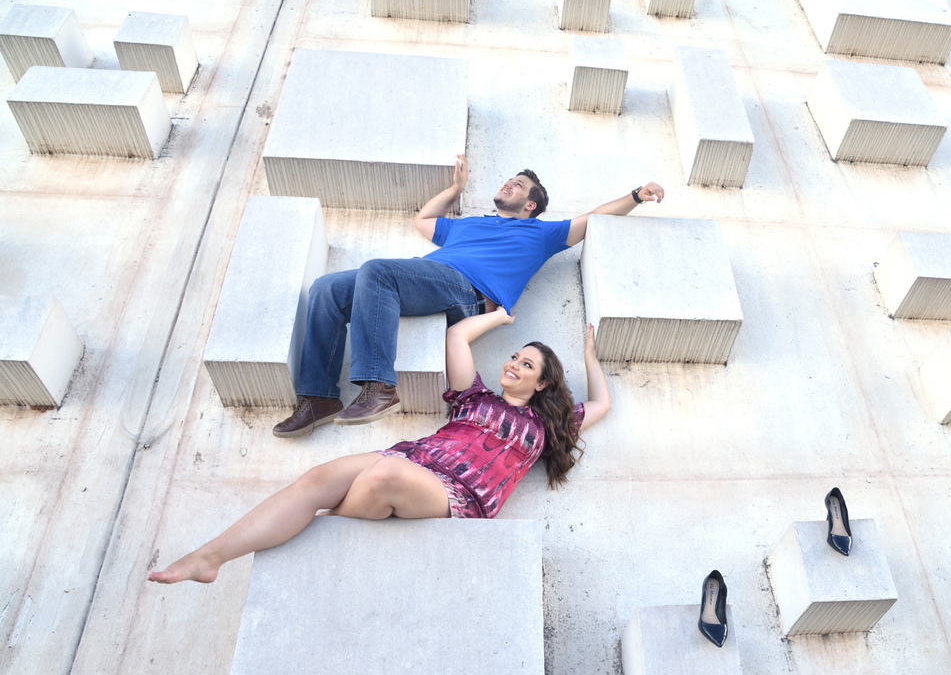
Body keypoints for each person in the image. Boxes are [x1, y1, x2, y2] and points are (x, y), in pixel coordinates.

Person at [149, 307, 609, 585]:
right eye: (513, 355)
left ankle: (312, 532)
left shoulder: (550, 426)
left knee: (382, 478)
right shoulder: (475, 396)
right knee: (316, 479)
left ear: (543, 381)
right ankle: (211, 556)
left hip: (460, 496)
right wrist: (501, 317)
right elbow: (457, 336)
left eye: (526, 363)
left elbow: (602, 402)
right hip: (416, 457)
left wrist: (589, 356)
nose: (513, 364)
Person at [274, 155, 662, 437]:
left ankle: (379, 386)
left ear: (531, 205)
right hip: (426, 278)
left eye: (519, 186)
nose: (508, 184)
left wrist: (637, 195)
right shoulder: (470, 224)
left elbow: (595, 217)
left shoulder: (541, 234)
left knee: (377, 270)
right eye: (508, 179)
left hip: (467, 293)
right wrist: (456, 189)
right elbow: (422, 221)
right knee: (326, 288)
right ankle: (319, 397)